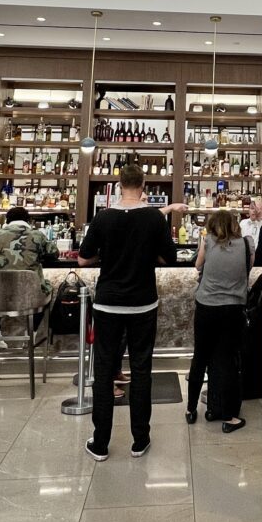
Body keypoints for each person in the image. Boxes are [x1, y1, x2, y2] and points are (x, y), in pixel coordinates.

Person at [78, 163, 174, 461]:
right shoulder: (155, 218)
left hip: (108, 302)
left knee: (105, 371)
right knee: (142, 369)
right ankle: (140, 440)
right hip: (143, 301)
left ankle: (101, 443)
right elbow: (168, 257)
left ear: (119, 185)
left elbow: (83, 260)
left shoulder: (103, 217)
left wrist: (105, 254)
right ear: (143, 185)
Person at [185, 209, 252, 433]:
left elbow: (197, 265)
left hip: (206, 307)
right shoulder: (246, 244)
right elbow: (247, 269)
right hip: (233, 310)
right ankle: (229, 416)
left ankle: (191, 409)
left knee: (200, 358)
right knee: (228, 362)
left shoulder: (207, 241)